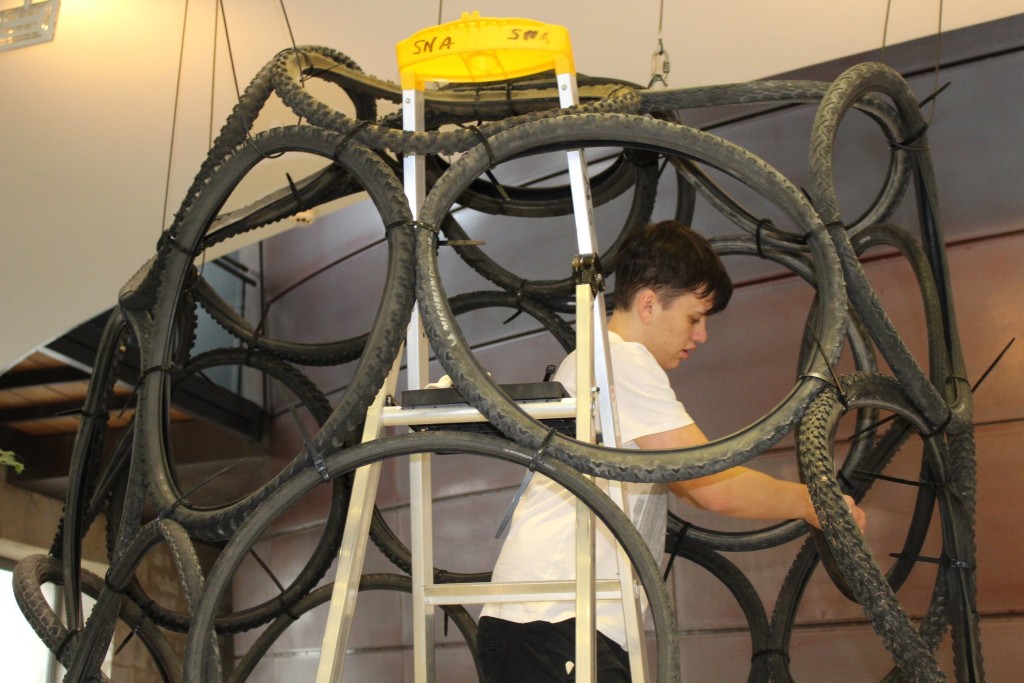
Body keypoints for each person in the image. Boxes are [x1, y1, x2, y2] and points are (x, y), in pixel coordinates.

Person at [475, 220, 866, 682]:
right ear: (648, 304)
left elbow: (690, 480)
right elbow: (711, 483)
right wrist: (813, 502)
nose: (700, 336)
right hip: (557, 621)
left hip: (546, 622)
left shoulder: (596, 359)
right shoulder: (620, 360)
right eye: (694, 318)